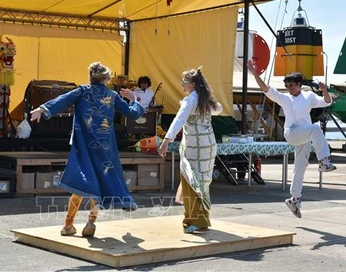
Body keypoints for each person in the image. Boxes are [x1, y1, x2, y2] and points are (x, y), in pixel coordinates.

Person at [30, 62, 145, 237]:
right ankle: (91, 220)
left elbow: (63, 100)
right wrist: (134, 99)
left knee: (82, 181)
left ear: (90, 77)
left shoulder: (82, 91)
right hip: (106, 146)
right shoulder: (112, 95)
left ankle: (68, 224)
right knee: (102, 179)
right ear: (106, 80)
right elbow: (133, 114)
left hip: (84, 144)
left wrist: (41, 109)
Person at [247, 60, 336, 219]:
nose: (289, 88)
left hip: (305, 136)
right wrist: (255, 73)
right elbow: (265, 88)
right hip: (292, 133)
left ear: (299, 84)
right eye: (287, 85)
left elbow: (326, 102)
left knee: (300, 168)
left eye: (292, 85)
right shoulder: (284, 98)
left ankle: (294, 200)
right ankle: (324, 161)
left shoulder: (308, 96)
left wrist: (324, 91)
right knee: (315, 128)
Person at [158, 67, 223, 233]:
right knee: (203, 182)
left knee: (191, 183)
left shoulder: (190, 101)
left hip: (194, 148)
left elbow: (179, 120)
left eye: (184, 82)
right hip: (208, 146)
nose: (182, 85)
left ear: (193, 84)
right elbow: (219, 109)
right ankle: (202, 217)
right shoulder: (205, 99)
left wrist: (166, 140)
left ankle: (195, 220)